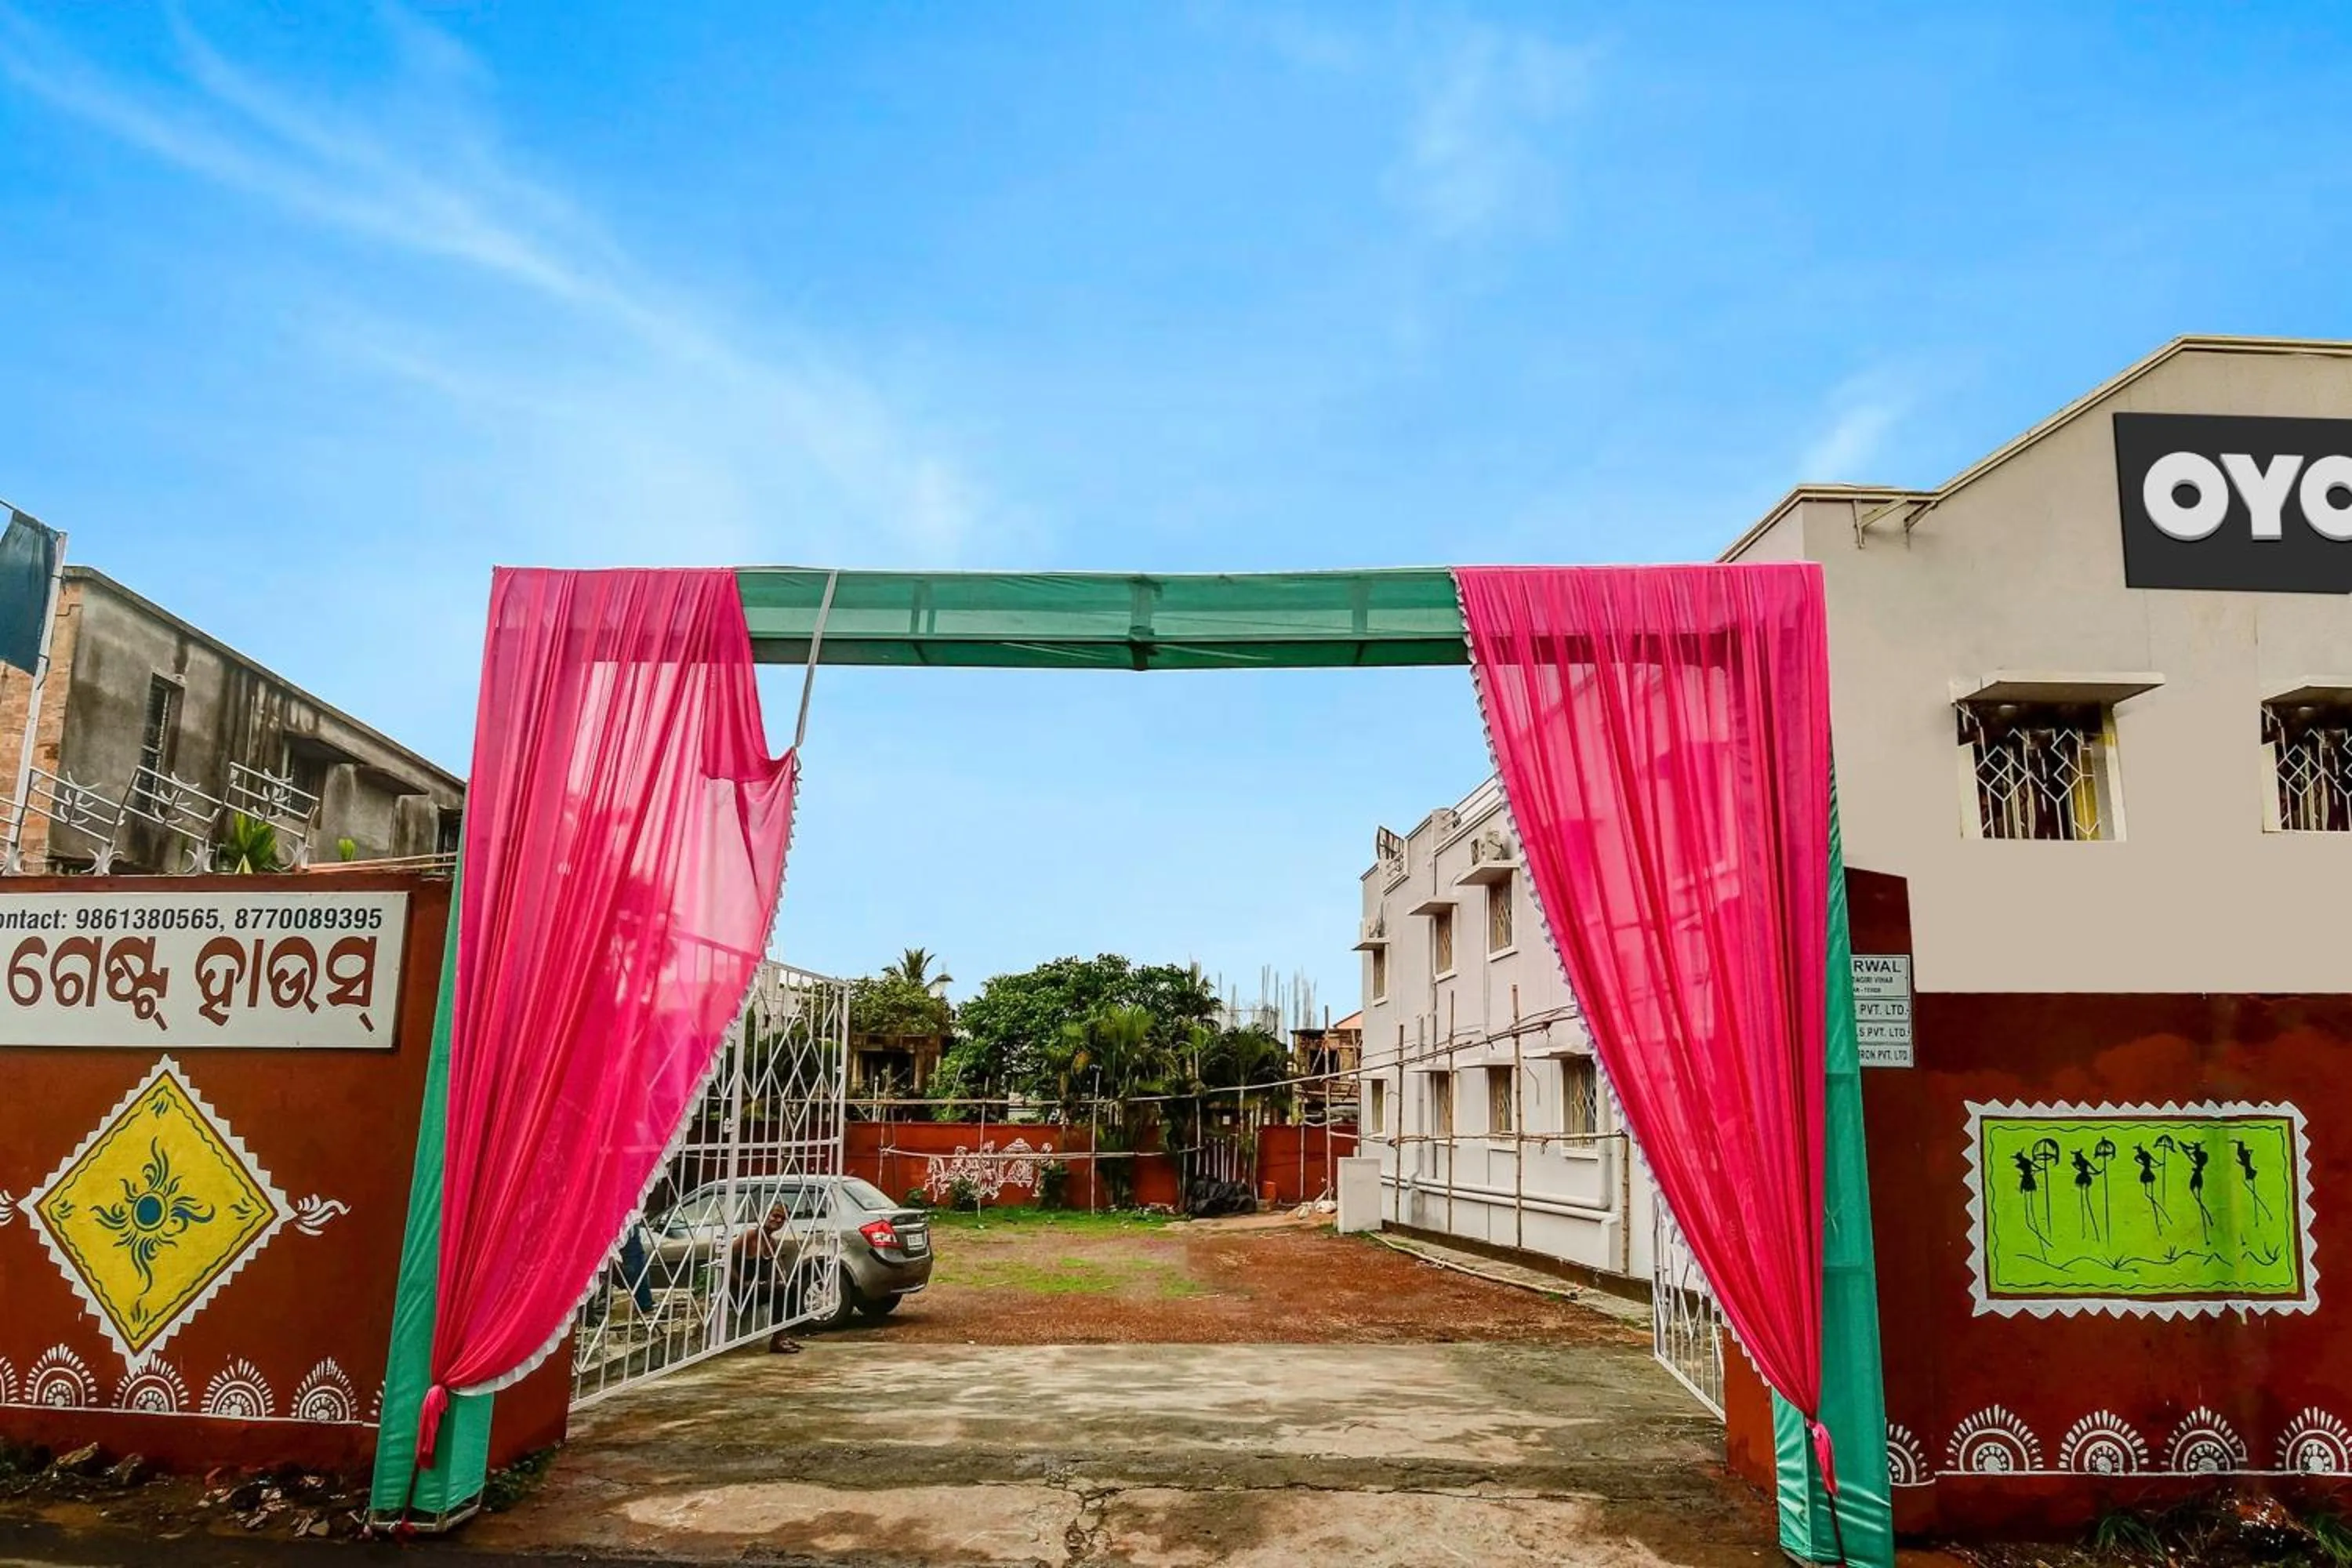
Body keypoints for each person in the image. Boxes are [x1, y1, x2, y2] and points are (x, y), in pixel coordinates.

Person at [729, 1201, 801, 1354]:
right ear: (766, 1215)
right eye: (775, 1215)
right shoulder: (750, 1236)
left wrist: (778, 1279)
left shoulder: (771, 1243)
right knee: (781, 1289)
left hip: (757, 1289)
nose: (778, 1220)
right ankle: (777, 1340)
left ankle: (782, 1335)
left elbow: (779, 1269)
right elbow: (727, 1259)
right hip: (740, 1293)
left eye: (783, 1218)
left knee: (793, 1286)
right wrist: (740, 1283)